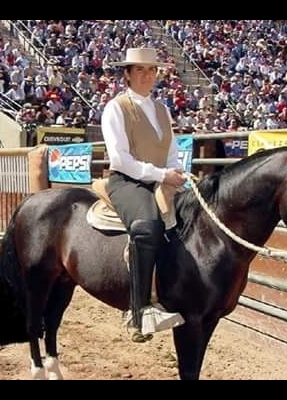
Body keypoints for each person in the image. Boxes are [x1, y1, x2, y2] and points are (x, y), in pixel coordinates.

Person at [101, 48, 188, 343]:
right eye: (139, 70)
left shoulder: (162, 109)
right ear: (126, 74)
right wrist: (162, 175)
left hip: (161, 179)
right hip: (127, 181)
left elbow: (173, 150)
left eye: (151, 70)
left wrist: (177, 172)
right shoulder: (116, 108)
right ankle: (139, 311)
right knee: (148, 227)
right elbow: (121, 159)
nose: (147, 75)